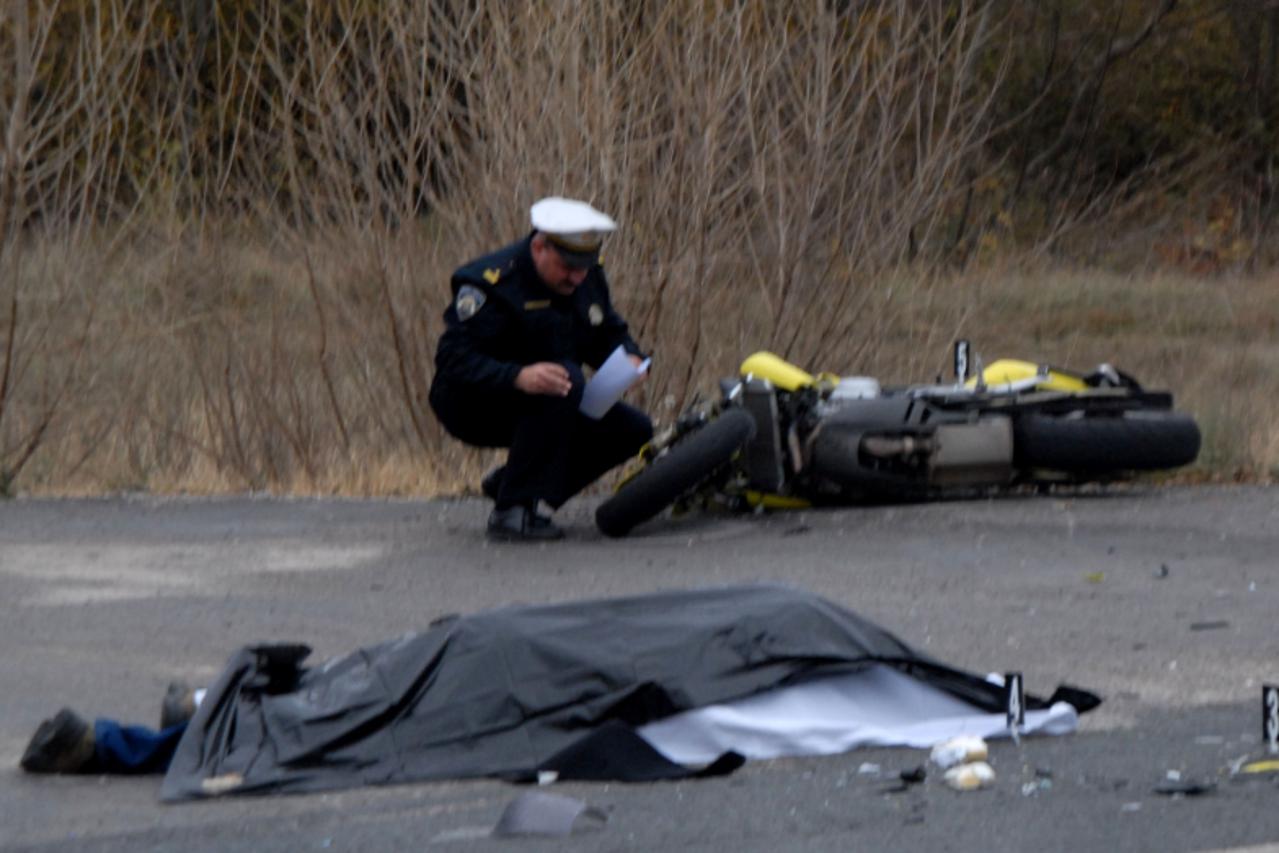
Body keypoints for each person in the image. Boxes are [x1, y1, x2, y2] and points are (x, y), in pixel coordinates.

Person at [429, 197, 653, 541]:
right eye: (568, 266)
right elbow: (453, 360)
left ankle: (513, 485)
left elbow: (604, 328)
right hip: (473, 402)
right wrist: (517, 377)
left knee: (633, 430)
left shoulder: (586, 277)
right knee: (564, 379)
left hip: (550, 397)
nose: (577, 277)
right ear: (539, 247)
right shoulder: (491, 283)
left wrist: (629, 358)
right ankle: (512, 513)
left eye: (584, 266)